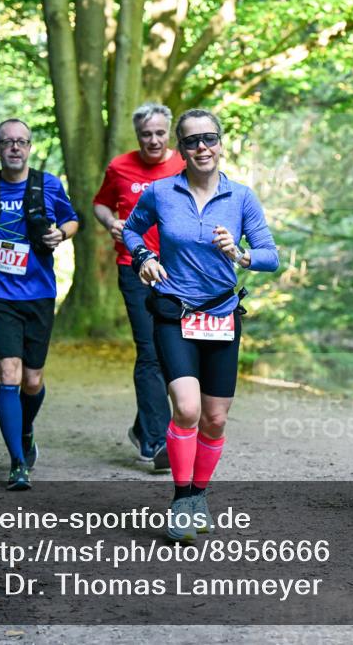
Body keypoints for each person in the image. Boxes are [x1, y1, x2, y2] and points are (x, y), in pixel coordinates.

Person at [123, 109, 279, 541]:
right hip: (175, 311)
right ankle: (181, 499)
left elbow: (271, 255)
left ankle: (199, 494)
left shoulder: (241, 197)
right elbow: (132, 232)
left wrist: (241, 254)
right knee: (187, 408)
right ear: (181, 149)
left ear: (221, 144)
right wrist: (145, 258)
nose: (201, 147)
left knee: (214, 418)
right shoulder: (160, 191)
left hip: (222, 315)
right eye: (191, 141)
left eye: (208, 138)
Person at [0, 118, 79, 491]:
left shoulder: (48, 185)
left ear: (29, 148)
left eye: (22, 142)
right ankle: (17, 463)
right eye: (7, 142)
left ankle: (25, 430)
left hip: (39, 292)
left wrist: (61, 233)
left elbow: (72, 219)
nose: (15, 147)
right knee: (8, 375)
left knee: (32, 380)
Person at [93, 103, 186, 471]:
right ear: (137, 136)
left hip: (179, 270)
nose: (153, 140)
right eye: (146, 134)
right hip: (133, 267)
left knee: (172, 352)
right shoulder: (119, 167)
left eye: (160, 133)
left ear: (170, 134)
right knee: (149, 349)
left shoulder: (184, 163)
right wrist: (111, 222)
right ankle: (156, 441)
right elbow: (100, 204)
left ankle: (140, 426)